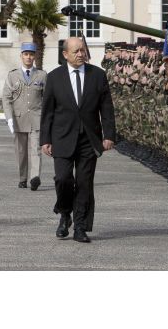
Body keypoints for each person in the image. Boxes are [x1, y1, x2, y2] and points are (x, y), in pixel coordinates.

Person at [40, 36, 116, 243]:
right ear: (65, 54)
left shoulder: (97, 75)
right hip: (62, 138)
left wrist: (109, 135)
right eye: (76, 51)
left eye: (83, 50)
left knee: (84, 183)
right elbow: (47, 111)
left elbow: (106, 108)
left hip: (89, 140)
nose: (81, 54)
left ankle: (80, 227)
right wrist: (45, 139)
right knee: (63, 179)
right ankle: (65, 213)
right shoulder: (55, 77)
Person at [1, 42, 47, 190]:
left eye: (31, 54)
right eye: (26, 54)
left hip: (36, 118)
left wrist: (47, 119)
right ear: (21, 56)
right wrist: (9, 118)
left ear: (34, 56)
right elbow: (6, 98)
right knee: (21, 152)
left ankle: (35, 178)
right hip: (18, 119)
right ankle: (23, 178)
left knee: (36, 150)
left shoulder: (42, 75)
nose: (28, 57)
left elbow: (46, 98)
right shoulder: (12, 75)